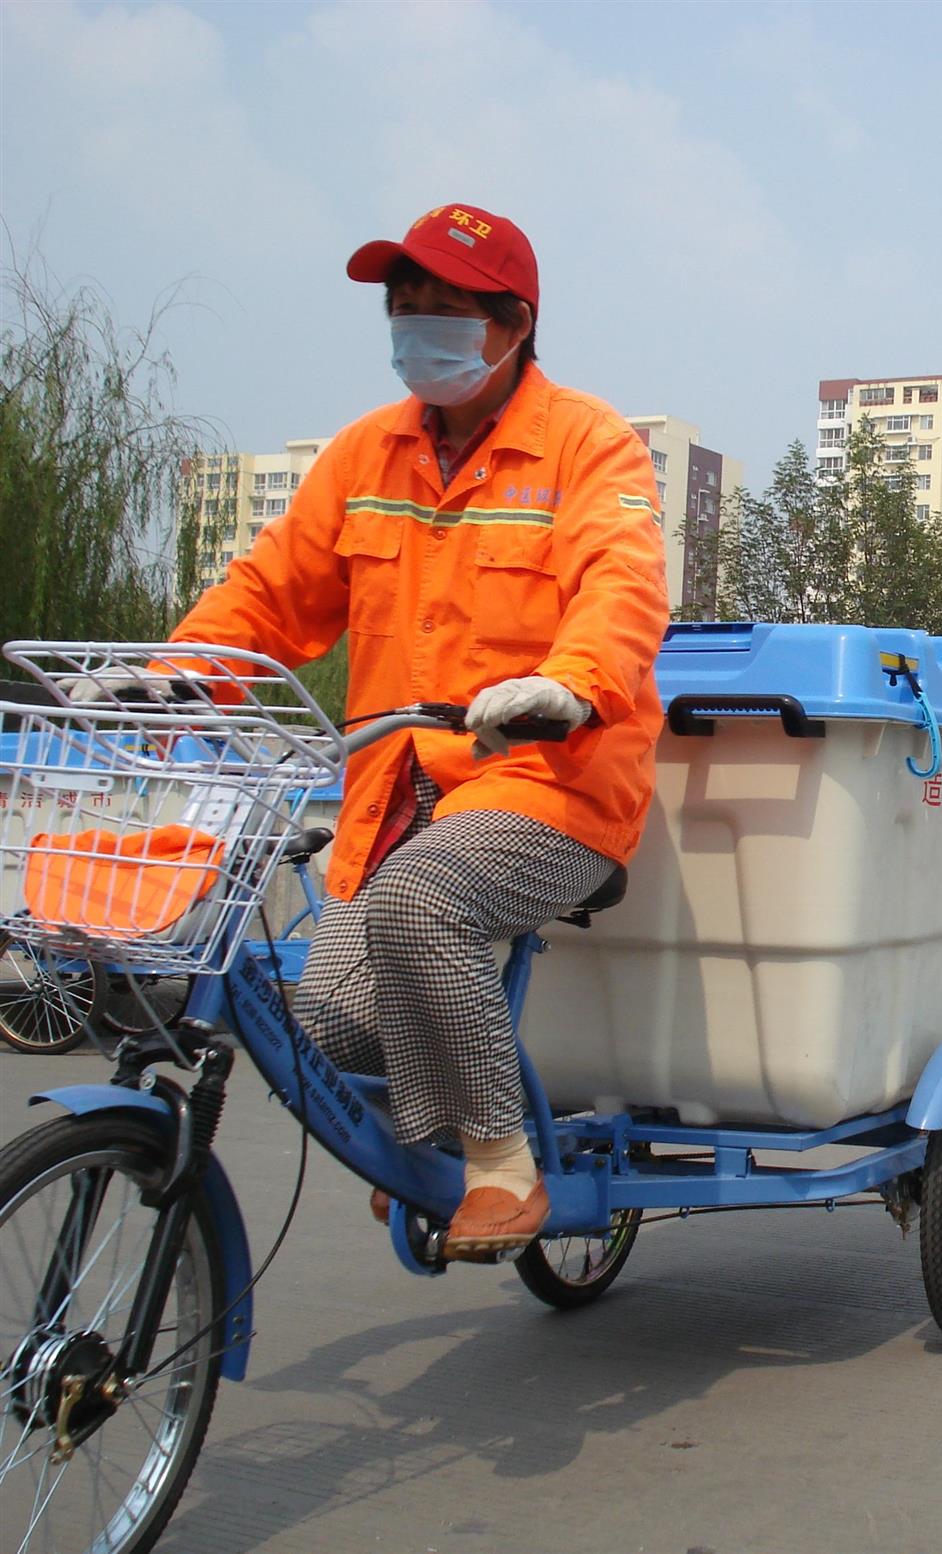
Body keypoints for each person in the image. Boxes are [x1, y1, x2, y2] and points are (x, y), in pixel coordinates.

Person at [171, 202, 670, 1257]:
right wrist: (173, 677)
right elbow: (266, 596)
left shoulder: (588, 443)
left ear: (511, 323)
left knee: (419, 901)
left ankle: (495, 1158)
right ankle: (428, 1127)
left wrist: (570, 684)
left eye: (442, 310)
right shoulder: (365, 453)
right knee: (319, 1032)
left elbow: (619, 584)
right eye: (403, 308)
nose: (415, 330)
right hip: (392, 793)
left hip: (548, 785)